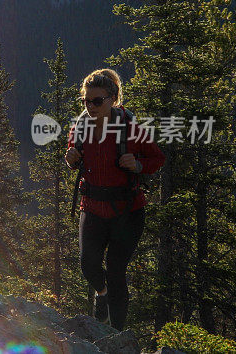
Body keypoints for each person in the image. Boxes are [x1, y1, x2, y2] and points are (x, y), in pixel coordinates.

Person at [64, 68, 165, 331]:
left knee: (117, 270)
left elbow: (157, 158)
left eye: (97, 101)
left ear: (113, 99)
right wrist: (71, 159)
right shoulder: (80, 127)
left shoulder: (131, 128)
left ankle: (117, 335)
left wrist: (138, 165)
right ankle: (102, 293)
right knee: (88, 265)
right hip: (93, 207)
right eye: (86, 101)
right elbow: (74, 154)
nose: (91, 106)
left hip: (127, 211)